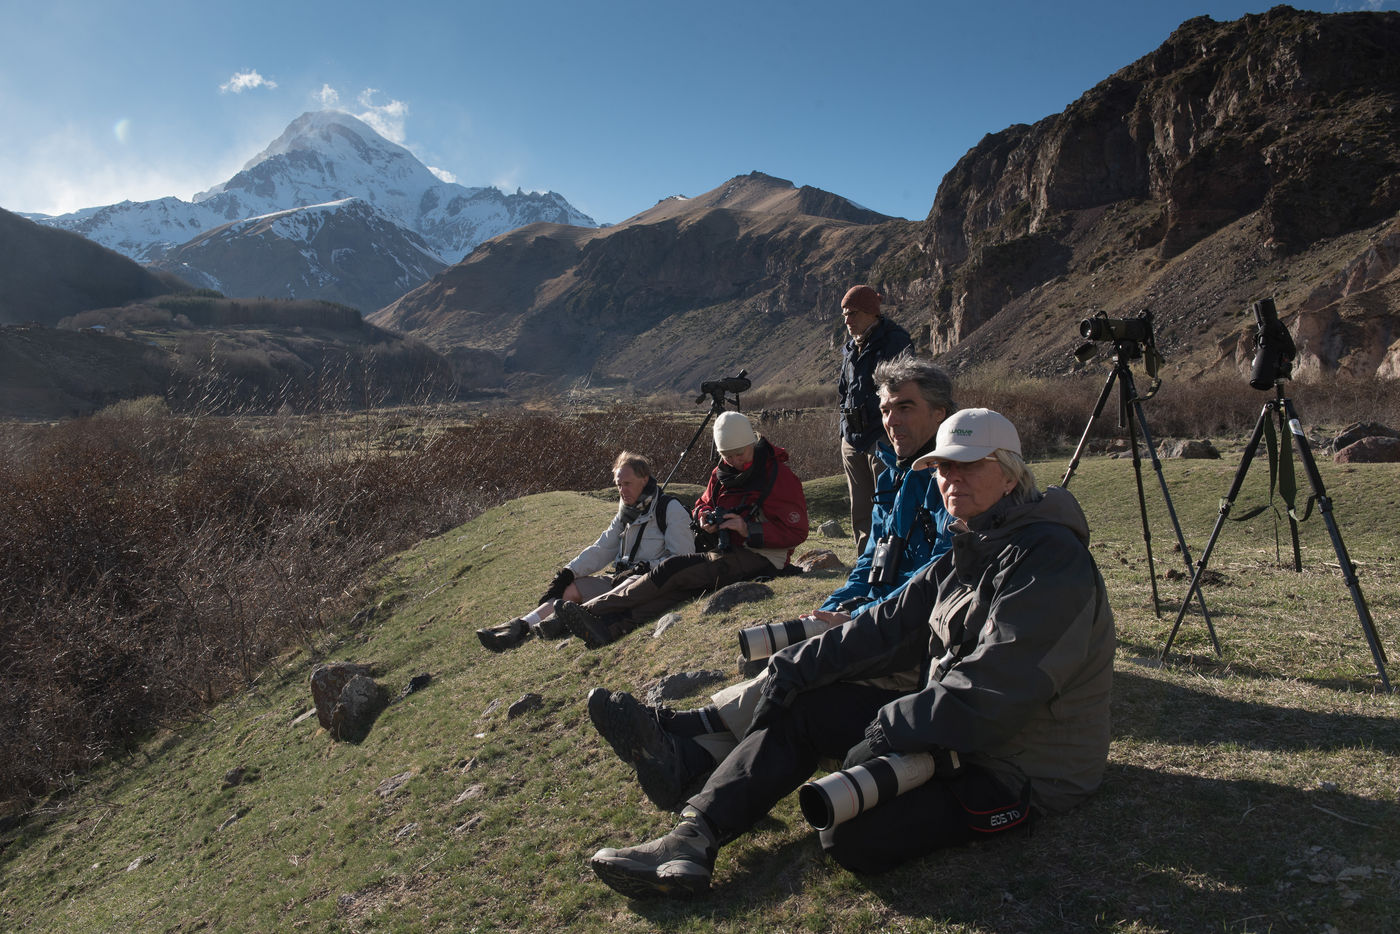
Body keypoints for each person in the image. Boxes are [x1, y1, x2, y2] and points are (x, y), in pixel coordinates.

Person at [588, 408, 1115, 898]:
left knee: (850, 837)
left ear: (1009, 473)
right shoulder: (972, 543)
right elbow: (883, 625)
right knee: (801, 705)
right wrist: (792, 668)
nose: (950, 481)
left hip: (1019, 766)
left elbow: (1001, 687)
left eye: (967, 467)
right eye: (941, 469)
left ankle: (702, 763)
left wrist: (888, 728)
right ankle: (693, 836)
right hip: (955, 732)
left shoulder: (1051, 560)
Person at [587, 357, 959, 809]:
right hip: (866, 611)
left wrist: (752, 532)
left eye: (905, 407)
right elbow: (870, 563)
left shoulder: (950, 479)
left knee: (791, 665)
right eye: (885, 409)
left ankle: (682, 729)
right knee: (688, 587)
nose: (891, 420)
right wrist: (834, 602)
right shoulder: (894, 474)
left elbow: (931, 576)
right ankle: (687, 757)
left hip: (891, 625)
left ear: (939, 413)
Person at [555, 411, 808, 649]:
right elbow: (702, 504)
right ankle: (610, 629)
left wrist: (748, 529)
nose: (734, 461)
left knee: (672, 568)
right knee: (680, 591)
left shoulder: (778, 476)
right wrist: (703, 518)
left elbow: (797, 531)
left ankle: (589, 612)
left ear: (752, 442)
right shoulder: (722, 473)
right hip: (726, 553)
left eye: (740, 454)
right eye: (727, 456)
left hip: (761, 558)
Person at [475, 451, 693, 652]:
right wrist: (568, 572)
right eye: (618, 485)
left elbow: (684, 560)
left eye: (627, 484)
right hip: (618, 579)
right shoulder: (627, 511)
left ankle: (562, 620)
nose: (622, 490)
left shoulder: (669, 509)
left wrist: (645, 568)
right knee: (570, 588)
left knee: (628, 583)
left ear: (644, 480)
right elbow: (602, 548)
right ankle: (521, 626)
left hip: (646, 582)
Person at [838, 284, 912, 556]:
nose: (847, 320)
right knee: (860, 508)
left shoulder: (895, 341)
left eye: (853, 313)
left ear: (871, 312)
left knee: (888, 501)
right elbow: (843, 390)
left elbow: (901, 390)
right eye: (844, 314)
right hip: (852, 438)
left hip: (882, 436)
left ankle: (892, 558)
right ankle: (864, 562)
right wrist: (844, 430)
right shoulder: (849, 348)